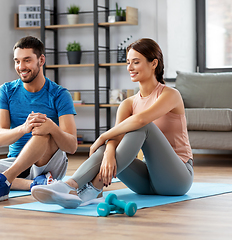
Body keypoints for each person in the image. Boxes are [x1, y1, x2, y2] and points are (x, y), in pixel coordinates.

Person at [31, 38, 194, 209]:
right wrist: (108, 150)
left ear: (154, 63)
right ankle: (70, 186)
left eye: (136, 62)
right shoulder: (128, 103)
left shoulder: (170, 95)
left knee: (142, 126)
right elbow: (116, 138)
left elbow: (140, 120)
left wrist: (103, 136)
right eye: (128, 62)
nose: (129, 68)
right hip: (146, 182)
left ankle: (91, 189)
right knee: (107, 148)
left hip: (177, 179)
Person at [0, 36, 77, 204]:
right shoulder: (6, 91)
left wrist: (51, 127)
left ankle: (5, 181)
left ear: (41, 60)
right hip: (15, 162)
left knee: (41, 129)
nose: (21, 67)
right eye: (17, 61)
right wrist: (23, 128)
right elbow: (0, 137)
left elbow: (72, 145)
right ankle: (33, 184)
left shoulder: (60, 94)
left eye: (27, 60)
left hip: (48, 164)